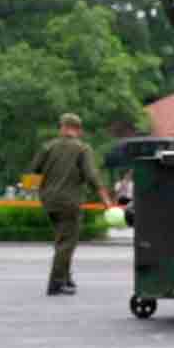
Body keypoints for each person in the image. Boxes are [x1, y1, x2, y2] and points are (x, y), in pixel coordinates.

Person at [30, 113, 113, 297]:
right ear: (77, 129)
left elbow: (33, 171)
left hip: (49, 201)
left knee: (61, 240)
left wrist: (31, 193)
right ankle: (56, 283)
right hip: (69, 202)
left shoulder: (47, 147)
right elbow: (91, 176)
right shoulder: (82, 149)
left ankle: (66, 279)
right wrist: (105, 199)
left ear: (62, 127)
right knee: (67, 243)